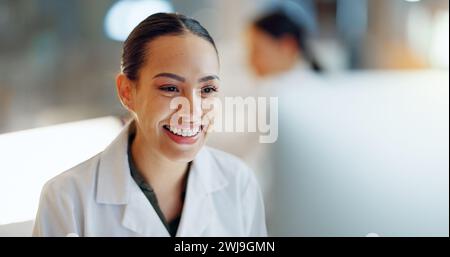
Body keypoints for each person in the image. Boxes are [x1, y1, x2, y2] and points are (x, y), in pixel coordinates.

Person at [32, 13, 267, 237]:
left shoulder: (239, 182)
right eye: (170, 88)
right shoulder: (67, 200)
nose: (192, 110)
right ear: (126, 92)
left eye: (207, 90)